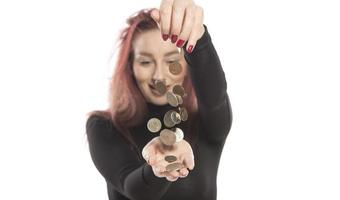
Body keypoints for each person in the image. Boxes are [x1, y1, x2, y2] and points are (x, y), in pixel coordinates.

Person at [85, 0, 232, 199]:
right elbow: (133, 188)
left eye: (171, 60)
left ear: (187, 63)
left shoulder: (206, 122)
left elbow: (215, 98)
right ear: (131, 66)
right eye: (145, 62)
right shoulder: (105, 127)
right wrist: (158, 168)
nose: (159, 76)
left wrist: (198, 38)